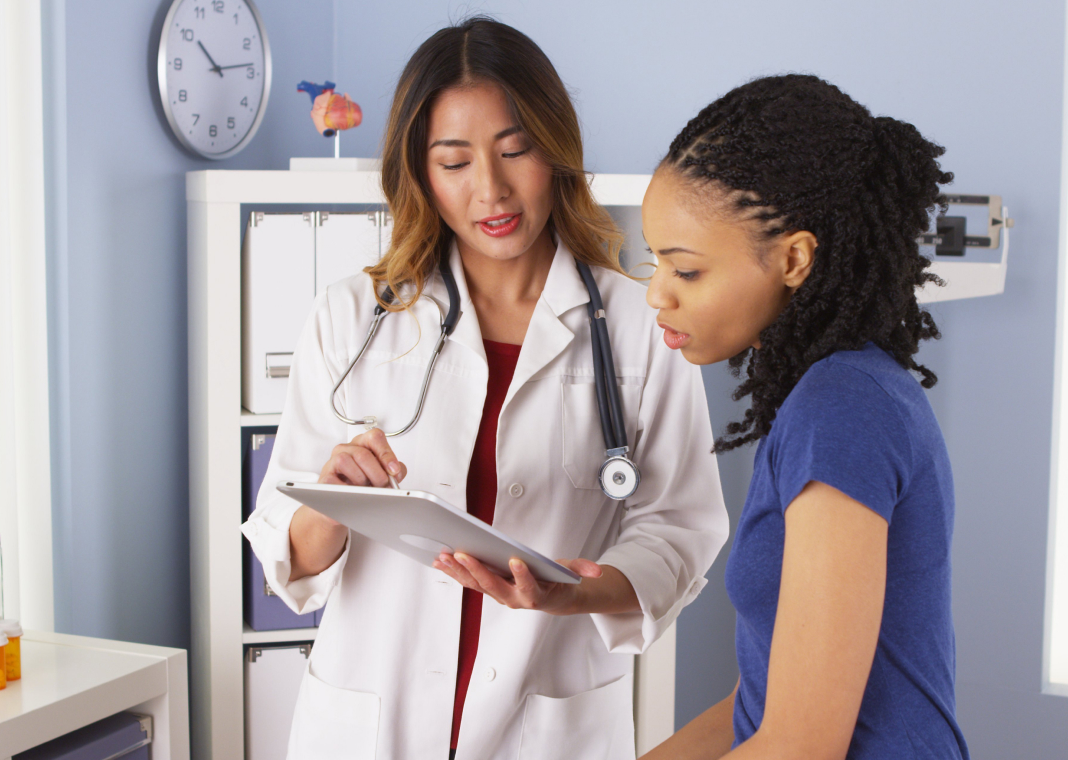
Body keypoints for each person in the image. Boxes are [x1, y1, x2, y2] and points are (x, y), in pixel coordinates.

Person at [241, 17, 728, 760]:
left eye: (515, 150)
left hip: (546, 723)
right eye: (454, 161)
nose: (490, 189)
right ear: (420, 172)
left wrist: (579, 592)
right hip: (371, 725)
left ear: (555, 150)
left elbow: (681, 528)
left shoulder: (637, 322)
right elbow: (289, 552)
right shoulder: (352, 316)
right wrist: (332, 498)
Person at [637, 75, 970, 759]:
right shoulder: (822, 399)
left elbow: (798, 746)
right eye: (654, 263)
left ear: (793, 259)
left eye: (687, 271)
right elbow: (756, 710)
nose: (656, 294)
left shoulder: (843, 406)